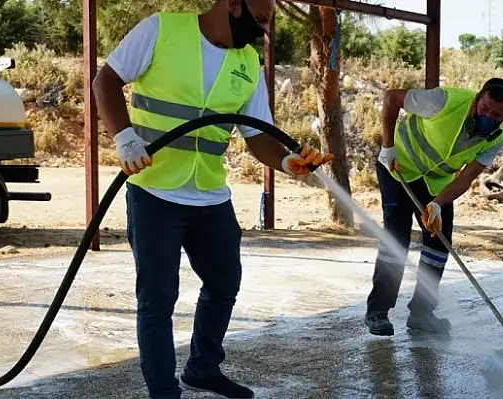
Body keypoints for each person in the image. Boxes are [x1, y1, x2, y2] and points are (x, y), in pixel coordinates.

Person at [93, 1, 331, 398]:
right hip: (155, 191)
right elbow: (105, 81)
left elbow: (258, 136)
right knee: (158, 297)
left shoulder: (248, 63)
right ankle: (163, 391)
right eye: (258, 21)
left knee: (224, 282)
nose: (262, 31)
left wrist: (288, 162)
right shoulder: (161, 30)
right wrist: (124, 138)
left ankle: (202, 368)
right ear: (232, 4)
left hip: (208, 196)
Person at [364, 78, 503, 337]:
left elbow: (467, 177)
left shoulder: (497, 137)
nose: (488, 117)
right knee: (396, 237)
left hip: (435, 183)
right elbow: (391, 98)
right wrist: (388, 147)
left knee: (439, 241)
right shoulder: (444, 101)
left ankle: (421, 314)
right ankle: (378, 311)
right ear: (477, 99)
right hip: (397, 166)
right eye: (484, 108)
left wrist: (436, 204)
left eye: (496, 115)